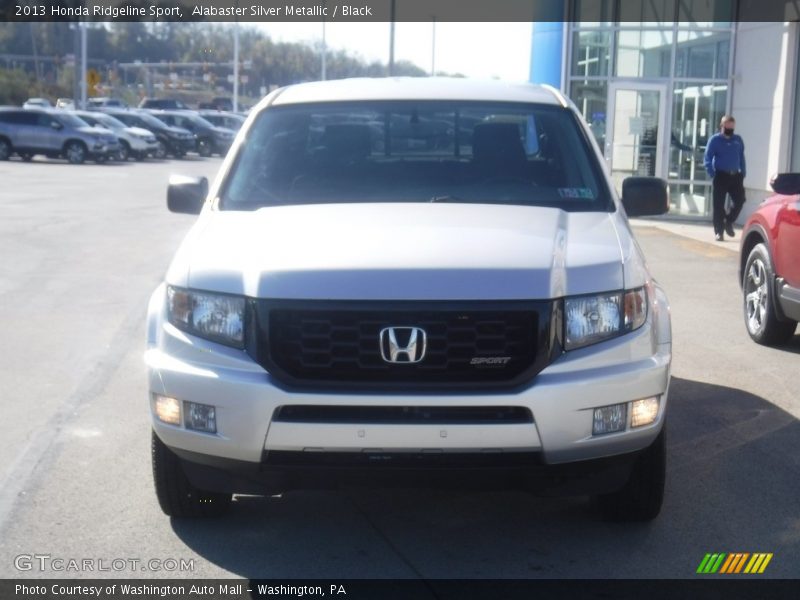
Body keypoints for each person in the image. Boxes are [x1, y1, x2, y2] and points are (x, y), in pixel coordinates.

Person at [704, 115, 746, 241]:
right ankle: (719, 232)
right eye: (727, 127)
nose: (729, 130)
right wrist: (712, 173)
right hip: (721, 175)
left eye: (732, 128)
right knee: (718, 205)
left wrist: (743, 172)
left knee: (740, 200)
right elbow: (707, 157)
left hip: (735, 176)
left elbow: (741, 156)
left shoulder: (738, 140)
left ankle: (729, 221)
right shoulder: (715, 140)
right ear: (721, 126)